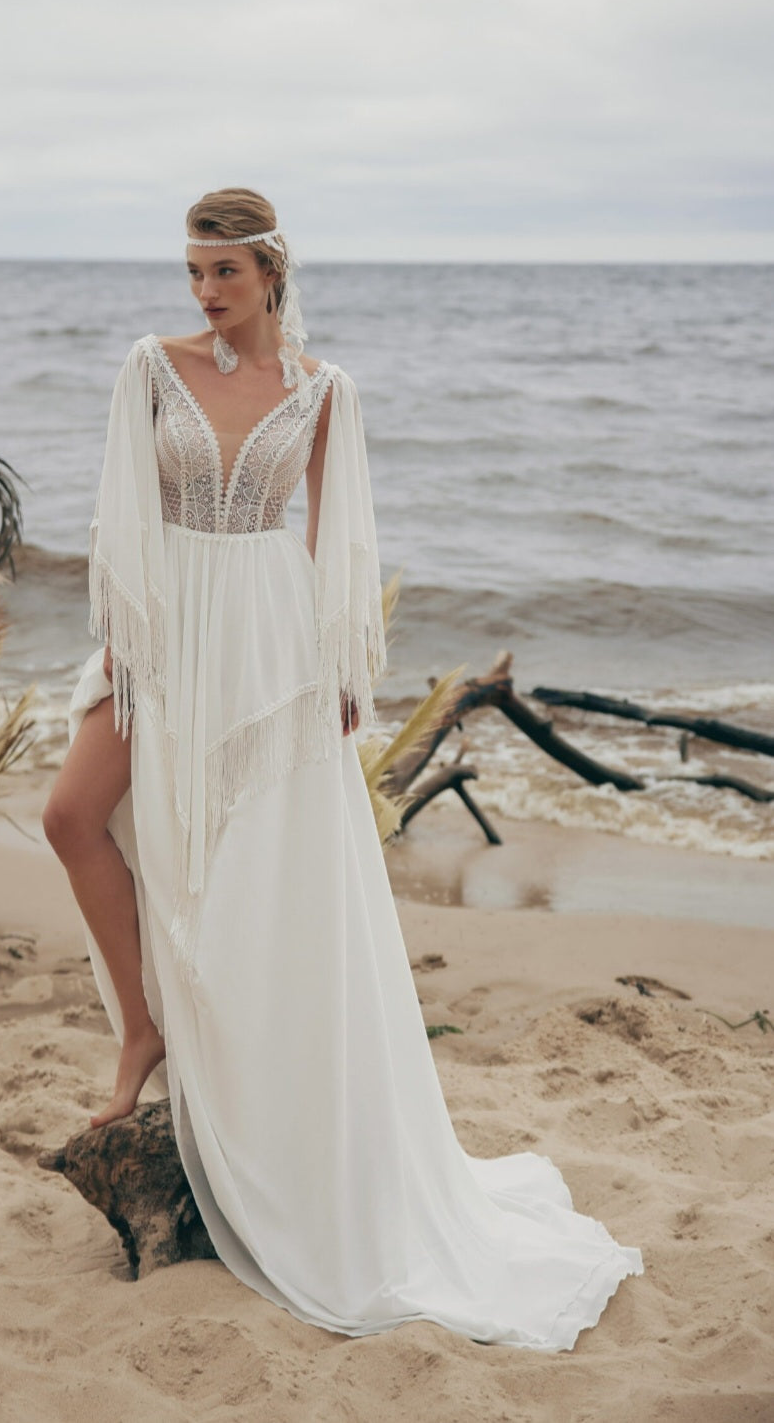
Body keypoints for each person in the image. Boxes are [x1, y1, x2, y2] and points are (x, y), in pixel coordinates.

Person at [42, 187, 644, 1347]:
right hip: (163, 635)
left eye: (223, 272)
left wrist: (337, 670)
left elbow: (333, 538)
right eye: (192, 271)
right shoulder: (149, 369)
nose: (204, 293)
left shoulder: (325, 393)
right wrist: (122, 635)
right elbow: (121, 513)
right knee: (72, 816)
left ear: (270, 272)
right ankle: (142, 1028)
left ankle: (243, 1070)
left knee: (253, 867)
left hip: (266, 646)